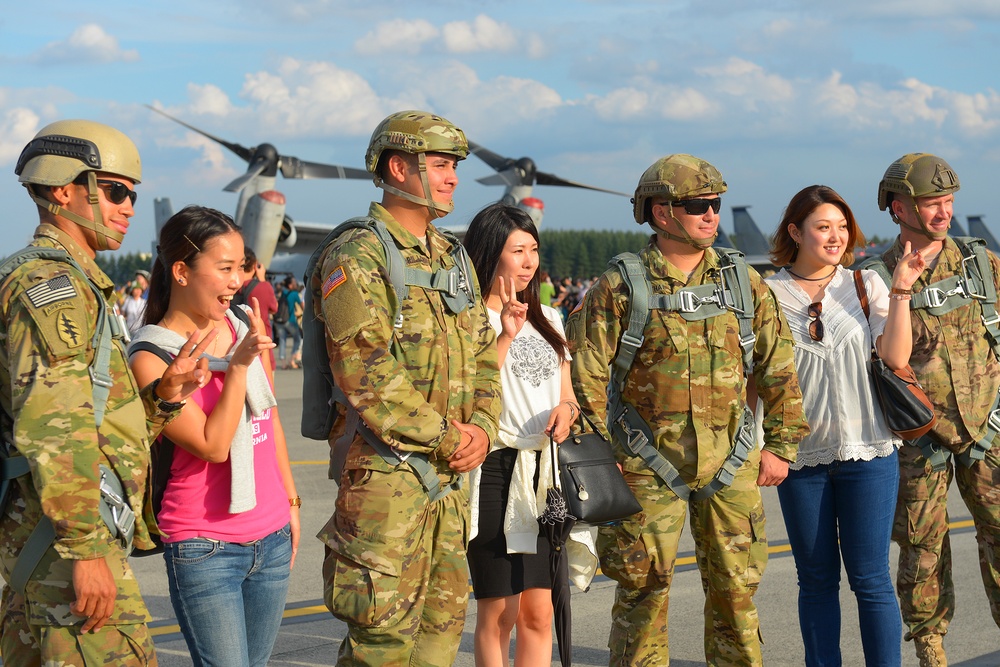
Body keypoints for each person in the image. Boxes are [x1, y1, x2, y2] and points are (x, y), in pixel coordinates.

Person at [566, 154, 809, 666]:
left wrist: (782, 446)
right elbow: (583, 376)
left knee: (737, 597)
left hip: (732, 462)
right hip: (643, 466)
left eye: (716, 204)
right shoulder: (622, 285)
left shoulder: (742, 282)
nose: (711, 215)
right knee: (641, 597)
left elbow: (778, 366)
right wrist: (597, 463)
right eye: (698, 205)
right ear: (660, 213)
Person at [0, 120, 210, 666]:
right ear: (65, 190)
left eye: (132, 195)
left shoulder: (77, 283)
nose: (129, 207)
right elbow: (54, 426)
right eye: (115, 191)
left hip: (49, 542)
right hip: (62, 544)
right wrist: (85, 549)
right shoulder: (55, 288)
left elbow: (91, 417)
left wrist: (162, 397)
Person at [311, 110, 501, 666]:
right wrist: (447, 437)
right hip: (386, 487)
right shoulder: (359, 255)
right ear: (399, 166)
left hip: (448, 484)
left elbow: (482, 352)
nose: (452, 179)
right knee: (382, 648)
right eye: (440, 165)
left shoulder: (453, 257)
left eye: (453, 167)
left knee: (438, 644)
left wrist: (483, 430)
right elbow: (365, 371)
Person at [128, 205, 300, 667]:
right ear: (181, 271)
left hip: (273, 534)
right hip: (205, 546)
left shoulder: (242, 323)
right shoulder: (151, 355)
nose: (236, 280)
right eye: (224, 268)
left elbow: (271, 420)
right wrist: (239, 367)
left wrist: (291, 502)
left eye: (241, 267)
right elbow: (213, 445)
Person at [766, 185, 928, 666]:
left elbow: (895, 357)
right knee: (814, 580)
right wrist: (761, 445)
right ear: (796, 231)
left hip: (870, 450)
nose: (835, 236)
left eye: (841, 226)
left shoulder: (865, 285)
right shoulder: (768, 294)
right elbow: (759, 378)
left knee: (871, 579)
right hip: (801, 457)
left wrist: (900, 286)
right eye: (823, 226)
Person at [867, 153, 1000, 666]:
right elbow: (884, 359)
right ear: (898, 207)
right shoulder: (876, 275)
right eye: (931, 203)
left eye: (948, 202)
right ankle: (930, 648)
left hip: (988, 427)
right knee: (922, 550)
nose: (943, 212)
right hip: (919, 438)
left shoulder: (981, 263)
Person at [463, 203, 596, 666]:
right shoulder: (469, 320)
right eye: (516, 250)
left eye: (533, 249)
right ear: (489, 254)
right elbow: (467, 392)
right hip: (494, 471)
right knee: (498, 612)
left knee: (539, 613)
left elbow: (568, 397)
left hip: (545, 475)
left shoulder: (551, 320)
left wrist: (567, 410)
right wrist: (502, 335)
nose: (528, 261)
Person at [239, 247, 278, 370]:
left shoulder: (229, 286)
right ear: (255, 265)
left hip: (235, 349)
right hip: (261, 347)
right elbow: (274, 308)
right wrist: (262, 279)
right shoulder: (263, 287)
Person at [275, 276, 302, 369]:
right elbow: (302, 306)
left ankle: (283, 364)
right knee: (298, 339)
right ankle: (292, 359)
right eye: (294, 282)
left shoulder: (283, 292)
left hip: (279, 321)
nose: (296, 284)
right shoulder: (294, 294)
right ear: (290, 285)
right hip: (290, 321)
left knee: (282, 340)